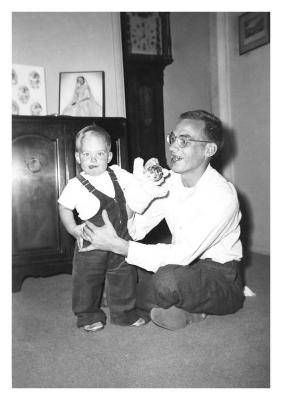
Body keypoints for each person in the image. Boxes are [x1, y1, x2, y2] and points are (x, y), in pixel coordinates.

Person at [80, 110, 245, 331]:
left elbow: (181, 254)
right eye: (173, 138)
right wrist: (136, 197)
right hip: (180, 266)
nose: (174, 146)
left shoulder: (222, 196)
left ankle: (132, 299)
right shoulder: (170, 181)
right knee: (118, 268)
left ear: (209, 149)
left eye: (184, 140)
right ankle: (184, 310)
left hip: (219, 278)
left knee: (165, 281)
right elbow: (137, 230)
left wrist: (118, 245)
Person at [58, 124, 168, 332]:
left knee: (124, 279)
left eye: (99, 154)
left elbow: (138, 185)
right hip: (91, 243)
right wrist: (72, 228)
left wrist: (148, 178)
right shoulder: (75, 184)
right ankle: (88, 314)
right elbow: (64, 207)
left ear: (108, 156)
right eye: (86, 154)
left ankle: (124, 313)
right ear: (78, 157)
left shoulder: (118, 175)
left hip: (120, 240)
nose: (93, 159)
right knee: (87, 282)